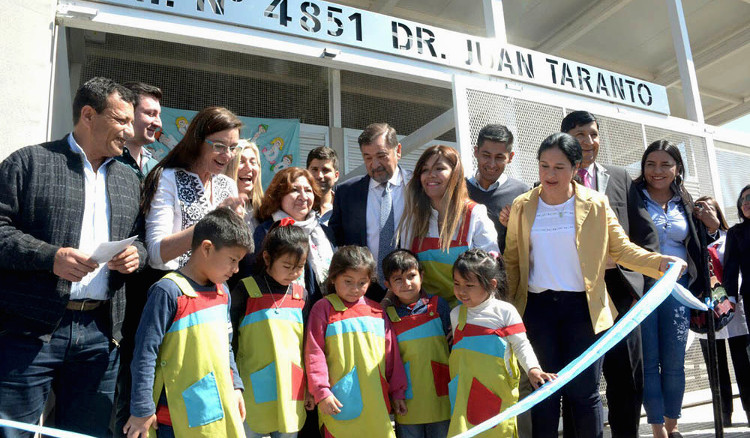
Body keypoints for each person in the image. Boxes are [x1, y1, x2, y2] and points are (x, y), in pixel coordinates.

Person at [504, 133, 685, 438]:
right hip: (538, 310)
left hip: (584, 311)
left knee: (583, 394)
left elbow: (622, 249)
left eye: (559, 167)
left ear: (575, 168)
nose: (550, 174)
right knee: (543, 394)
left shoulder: (596, 203)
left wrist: (659, 262)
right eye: (544, 166)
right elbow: (511, 260)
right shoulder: (523, 205)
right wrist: (508, 309)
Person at [0, 77, 145, 437]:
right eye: (122, 120)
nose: (130, 130)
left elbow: (140, 240)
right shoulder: (30, 162)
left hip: (100, 336)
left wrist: (135, 256)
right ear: (87, 115)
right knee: (12, 431)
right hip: (28, 333)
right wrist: (50, 257)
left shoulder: (130, 179)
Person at [559, 110, 659, 438]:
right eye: (579, 135)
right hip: (575, 293)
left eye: (593, 134)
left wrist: (639, 287)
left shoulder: (619, 177)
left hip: (621, 290)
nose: (588, 142)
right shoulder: (550, 181)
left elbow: (645, 233)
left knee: (627, 376)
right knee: (580, 377)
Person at [124, 208, 251, 438]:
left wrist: (236, 386)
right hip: (170, 421)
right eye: (232, 260)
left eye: (239, 261)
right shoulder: (168, 291)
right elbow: (144, 353)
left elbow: (227, 347)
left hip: (214, 414)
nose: (236, 269)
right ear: (207, 248)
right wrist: (142, 409)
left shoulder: (224, 292)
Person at [634, 140, 711, 438]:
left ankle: (673, 424)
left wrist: (713, 227)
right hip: (643, 288)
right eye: (651, 164)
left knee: (675, 361)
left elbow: (701, 243)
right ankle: (657, 429)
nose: (657, 170)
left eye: (666, 164)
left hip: (678, 290)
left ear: (678, 168)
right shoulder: (633, 196)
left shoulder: (686, 201)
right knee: (649, 360)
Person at [449, 249, 555, 437]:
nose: (461, 291)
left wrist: (533, 369)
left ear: (492, 284)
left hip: (497, 396)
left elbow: (521, 344)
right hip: (463, 398)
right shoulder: (456, 315)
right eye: (457, 284)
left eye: (469, 285)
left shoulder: (506, 312)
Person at [304, 246, 407, 438]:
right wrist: (321, 392)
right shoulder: (323, 309)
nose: (355, 289)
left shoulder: (377, 311)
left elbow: (392, 356)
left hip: (376, 403)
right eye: (348, 281)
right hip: (337, 402)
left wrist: (398, 392)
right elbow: (314, 353)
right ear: (333, 278)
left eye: (362, 282)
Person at [232, 221, 314, 438]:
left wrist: (310, 388)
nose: (294, 273)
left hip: (292, 387)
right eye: (287, 266)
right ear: (267, 258)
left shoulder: (301, 295)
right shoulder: (246, 290)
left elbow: (308, 344)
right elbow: (230, 341)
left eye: (300, 267)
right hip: (251, 386)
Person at [142, 106, 245, 271]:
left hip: (213, 290)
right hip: (173, 287)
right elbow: (156, 254)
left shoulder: (227, 185)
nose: (228, 155)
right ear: (197, 141)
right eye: (219, 146)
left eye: (233, 148)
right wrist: (212, 222)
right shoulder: (168, 178)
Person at [398, 145, 499, 307]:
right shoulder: (413, 218)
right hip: (426, 315)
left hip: (468, 313)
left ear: (455, 174)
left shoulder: (474, 215)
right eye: (425, 170)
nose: (430, 175)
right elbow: (404, 270)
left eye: (439, 168)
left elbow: (488, 273)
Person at [329, 123, 411, 301]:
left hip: (410, 290)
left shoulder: (418, 187)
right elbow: (335, 239)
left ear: (397, 150)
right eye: (367, 157)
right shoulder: (347, 192)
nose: (375, 165)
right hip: (361, 292)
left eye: (381, 156)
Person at [693, 195, 750, 428]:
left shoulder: (731, 236)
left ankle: (748, 411)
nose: (704, 213)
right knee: (715, 365)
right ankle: (723, 413)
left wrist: (715, 229)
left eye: (710, 209)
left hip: (734, 306)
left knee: (743, 362)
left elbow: (734, 267)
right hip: (705, 308)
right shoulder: (691, 241)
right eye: (699, 209)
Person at [382, 249, 452, 438]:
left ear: (421, 276)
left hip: (442, 397)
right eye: (398, 279)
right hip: (406, 399)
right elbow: (388, 360)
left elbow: (452, 347)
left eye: (411, 276)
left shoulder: (439, 306)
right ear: (387, 284)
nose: (406, 283)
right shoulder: (387, 316)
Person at [254, 167, 335, 303]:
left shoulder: (325, 232)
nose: (303, 197)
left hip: (322, 313)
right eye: (294, 190)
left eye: (308, 190)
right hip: (282, 309)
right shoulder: (267, 231)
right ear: (279, 196)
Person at [466, 124, 529, 253]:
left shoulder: (522, 193)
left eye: (499, 157)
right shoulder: (457, 189)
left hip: (506, 271)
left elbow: (529, 242)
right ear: (476, 152)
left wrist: (513, 227)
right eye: (486, 155)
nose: (492, 164)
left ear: (510, 157)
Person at [115, 82, 162, 180]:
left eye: (159, 115)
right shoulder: (102, 160)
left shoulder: (155, 168)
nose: (158, 124)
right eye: (151, 114)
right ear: (126, 113)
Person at [225, 139, 264, 234]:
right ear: (228, 167)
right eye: (241, 161)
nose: (249, 168)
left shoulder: (264, 211)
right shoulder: (217, 206)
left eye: (253, 162)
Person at [307, 146, 340, 225]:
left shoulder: (345, 208)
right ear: (306, 173)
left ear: (336, 176)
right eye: (315, 169)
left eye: (325, 170)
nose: (319, 176)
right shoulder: (297, 206)